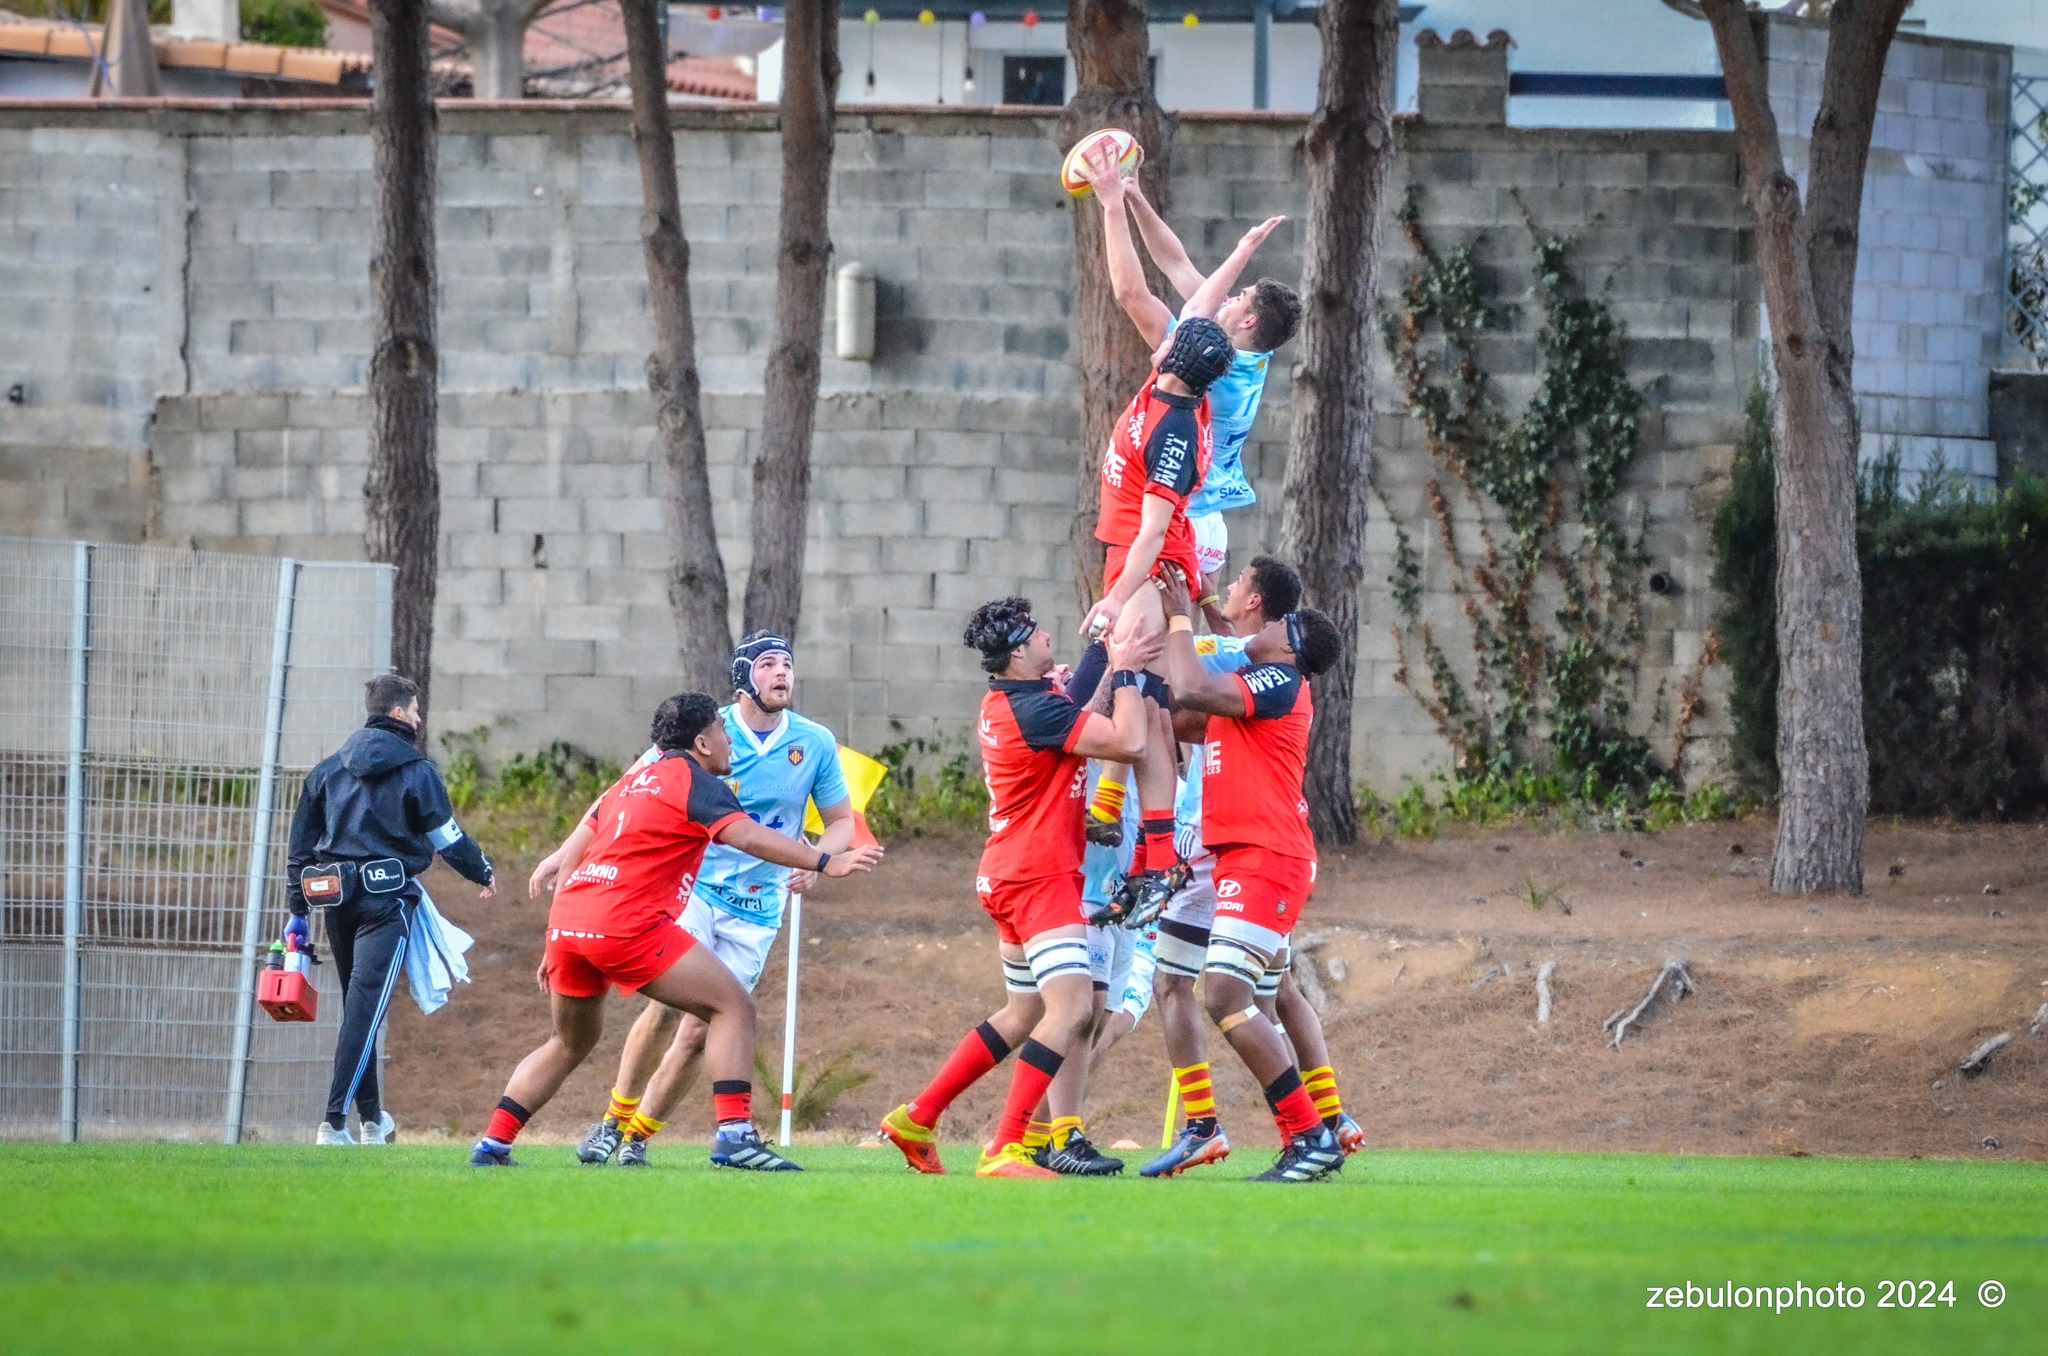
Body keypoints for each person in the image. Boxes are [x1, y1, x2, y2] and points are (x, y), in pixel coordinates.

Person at [468, 693, 882, 1170]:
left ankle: (493, 1145)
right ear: (702, 742)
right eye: (723, 734)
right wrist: (827, 861)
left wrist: (553, 937)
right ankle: (734, 1136)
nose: (730, 741)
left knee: (568, 1042)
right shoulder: (696, 782)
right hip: (625, 923)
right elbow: (746, 835)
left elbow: (587, 848)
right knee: (733, 1007)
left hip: (571, 922)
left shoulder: (631, 782)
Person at [1074, 146, 1289, 919]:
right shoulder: (1225, 357)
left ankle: (1115, 805)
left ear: (1246, 323)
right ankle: (1145, 830)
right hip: (1204, 521)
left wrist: (1111, 202)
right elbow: (1176, 267)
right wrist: (1129, 195)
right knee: (1148, 676)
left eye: (1233, 298)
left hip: (1182, 524)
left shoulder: (1200, 383)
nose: (1212, 300)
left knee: (1124, 661)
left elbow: (1138, 286)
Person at [878, 598, 1158, 1178]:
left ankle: (917, 1116)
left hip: (1007, 871)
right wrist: (1127, 669)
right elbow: (1129, 742)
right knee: (1074, 1009)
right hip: (1038, 876)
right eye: (1036, 635)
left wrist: (1107, 648)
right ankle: (1006, 1148)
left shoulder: (1015, 700)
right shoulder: (1036, 711)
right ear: (1017, 655)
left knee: (1022, 1012)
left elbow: (1075, 697)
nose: (1048, 635)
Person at [1141, 561, 1365, 1176]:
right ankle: (1255, 1129)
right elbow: (1178, 712)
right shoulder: (1254, 680)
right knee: (1204, 986)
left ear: (1286, 638)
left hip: (1265, 857)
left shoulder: (1276, 680)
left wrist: (1181, 614)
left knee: (1232, 996)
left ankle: (1311, 1133)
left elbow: (1188, 690)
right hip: (1229, 851)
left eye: (1277, 622)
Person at [285, 674, 496, 1146]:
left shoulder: (326, 771)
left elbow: (300, 852)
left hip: (335, 901)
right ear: (398, 714)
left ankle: (373, 1121)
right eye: (416, 711)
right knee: (366, 1010)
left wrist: (298, 912)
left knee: (359, 1008)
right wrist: (483, 871)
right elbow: (449, 840)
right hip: (387, 902)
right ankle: (334, 1124)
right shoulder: (418, 772)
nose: (420, 719)